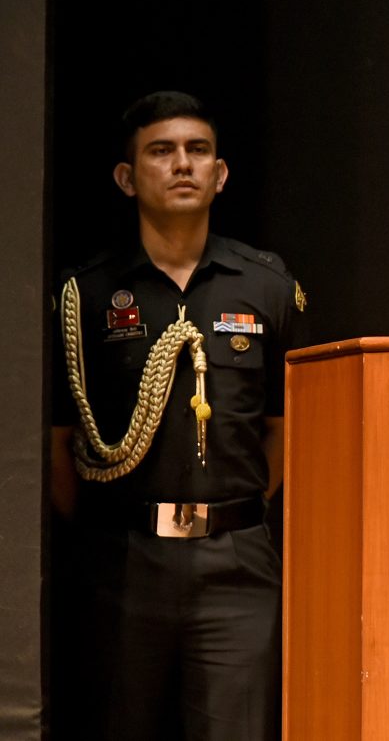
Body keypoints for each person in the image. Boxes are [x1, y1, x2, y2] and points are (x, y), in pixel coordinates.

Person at [51, 90, 306, 740]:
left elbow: (283, 430)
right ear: (128, 178)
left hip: (236, 560)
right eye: (161, 152)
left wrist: (228, 510)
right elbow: (60, 444)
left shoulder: (267, 286)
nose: (183, 164)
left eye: (198, 151)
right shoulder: (90, 292)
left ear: (220, 174)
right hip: (123, 559)